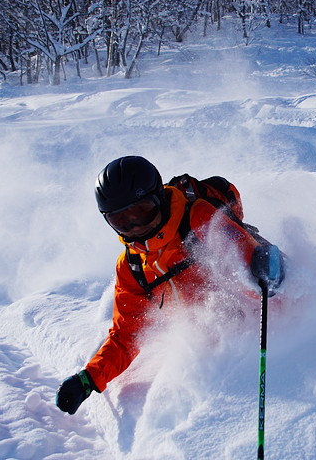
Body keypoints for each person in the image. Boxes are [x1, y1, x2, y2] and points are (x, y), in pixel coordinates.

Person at [56, 156, 285, 415]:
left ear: (160, 198)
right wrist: (89, 379)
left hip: (260, 330)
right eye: (122, 221)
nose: (136, 227)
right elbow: (126, 336)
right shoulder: (133, 266)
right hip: (211, 349)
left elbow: (249, 270)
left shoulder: (198, 218)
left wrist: (265, 275)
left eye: (143, 211)